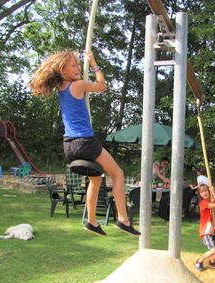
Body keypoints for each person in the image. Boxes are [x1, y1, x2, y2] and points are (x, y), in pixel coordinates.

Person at [29, 50, 140, 237]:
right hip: (84, 142)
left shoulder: (62, 90)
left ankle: (92, 222)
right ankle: (123, 219)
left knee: (95, 179)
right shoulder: (78, 85)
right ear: (62, 69)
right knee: (118, 174)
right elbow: (102, 86)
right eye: (74, 65)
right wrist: (94, 63)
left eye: (79, 65)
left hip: (69, 146)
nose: (78, 68)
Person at [195, 184, 215, 271]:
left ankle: (213, 261)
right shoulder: (203, 203)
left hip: (214, 228)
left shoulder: (212, 201)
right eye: (202, 192)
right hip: (205, 230)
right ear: (200, 194)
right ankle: (199, 261)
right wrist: (213, 193)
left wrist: (213, 194)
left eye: (206, 190)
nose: (204, 193)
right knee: (212, 250)